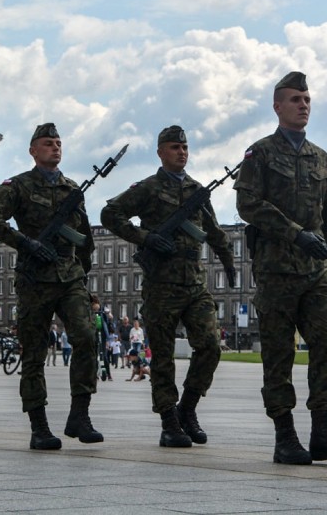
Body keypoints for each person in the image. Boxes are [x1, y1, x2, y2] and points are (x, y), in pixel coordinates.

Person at [234, 71, 327, 465]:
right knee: (278, 354)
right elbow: (247, 205)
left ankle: (322, 432)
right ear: (277, 106)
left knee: (325, 347)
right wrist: (294, 234)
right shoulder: (261, 153)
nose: (303, 105)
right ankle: (285, 436)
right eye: (295, 99)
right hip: (276, 272)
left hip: (316, 275)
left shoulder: (320, 158)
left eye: (306, 99)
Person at [101, 124, 235, 448]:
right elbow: (110, 213)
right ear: (161, 152)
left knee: (210, 346)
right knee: (162, 357)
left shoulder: (198, 191)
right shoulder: (146, 188)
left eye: (185, 148)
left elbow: (214, 232)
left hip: (194, 282)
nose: (182, 152)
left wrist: (229, 263)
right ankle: (169, 422)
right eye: (175, 147)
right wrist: (146, 237)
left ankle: (187, 408)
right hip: (161, 283)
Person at [0, 122, 102, 450]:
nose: (55, 147)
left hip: (70, 276)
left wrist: (83, 276)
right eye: (48, 143)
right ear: (33, 150)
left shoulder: (72, 188)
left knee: (87, 338)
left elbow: (85, 238)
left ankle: (80, 414)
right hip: (35, 280)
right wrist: (25, 243)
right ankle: (39, 426)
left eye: (58, 143)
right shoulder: (18, 185)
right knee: (33, 353)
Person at [91, 296, 112, 381]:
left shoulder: (103, 309)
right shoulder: (89, 310)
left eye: (97, 308)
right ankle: (94, 374)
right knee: (94, 355)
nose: (96, 310)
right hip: (93, 334)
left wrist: (109, 314)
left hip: (103, 335)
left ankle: (108, 374)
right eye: (94, 309)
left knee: (105, 356)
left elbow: (109, 315)